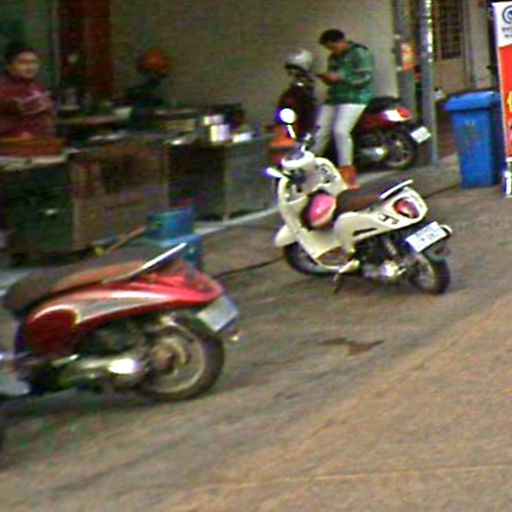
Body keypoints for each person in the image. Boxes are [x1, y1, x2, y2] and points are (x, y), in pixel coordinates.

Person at [311, 29, 374, 187]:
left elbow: (365, 77)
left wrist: (341, 77)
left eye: (333, 47)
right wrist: (327, 78)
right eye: (329, 49)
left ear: (341, 41)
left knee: (340, 131)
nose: (333, 51)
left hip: (355, 97)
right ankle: (311, 165)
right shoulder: (332, 57)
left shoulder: (359, 53)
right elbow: (333, 78)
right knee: (319, 130)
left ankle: (346, 169)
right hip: (335, 97)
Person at [0, 42, 56, 139]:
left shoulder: (38, 87)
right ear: (8, 66)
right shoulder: (3, 88)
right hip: (12, 144)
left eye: (34, 62)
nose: (30, 67)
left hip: (43, 142)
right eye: (23, 63)